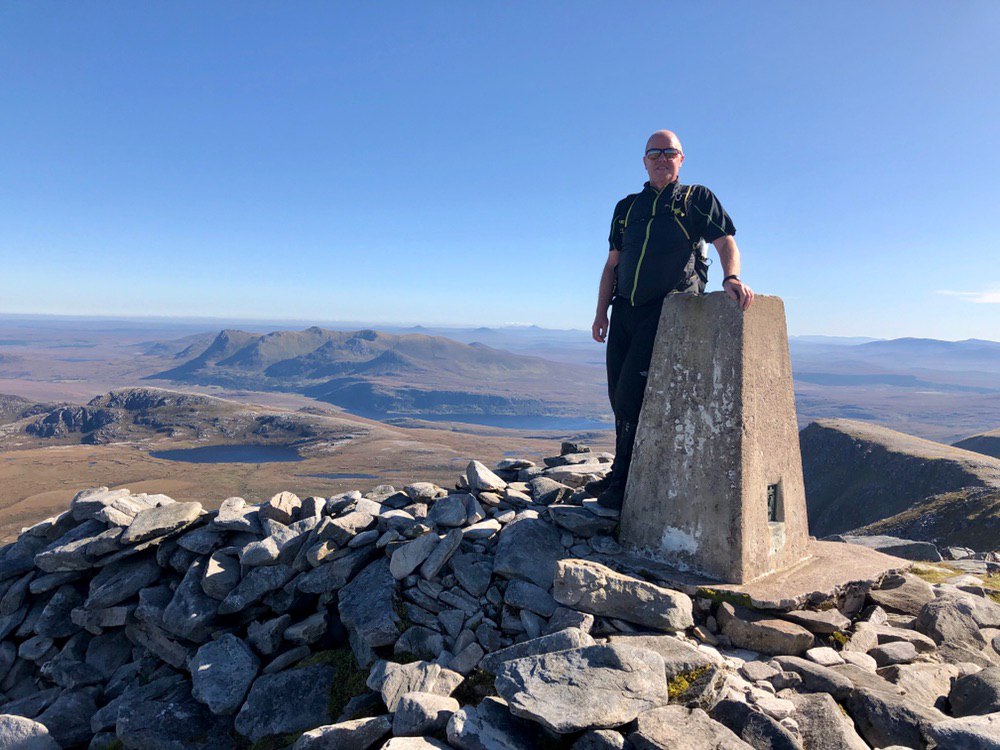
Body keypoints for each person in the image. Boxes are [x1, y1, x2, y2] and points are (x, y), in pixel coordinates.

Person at [589, 129, 754, 509]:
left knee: (632, 394)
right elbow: (613, 264)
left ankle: (622, 488)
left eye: (670, 152)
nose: (662, 158)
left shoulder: (696, 198)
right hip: (625, 310)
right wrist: (601, 312)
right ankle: (620, 473)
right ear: (644, 161)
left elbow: (725, 240)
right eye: (654, 153)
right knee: (618, 395)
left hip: (668, 311)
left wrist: (732, 277)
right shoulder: (627, 207)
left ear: (681, 159)